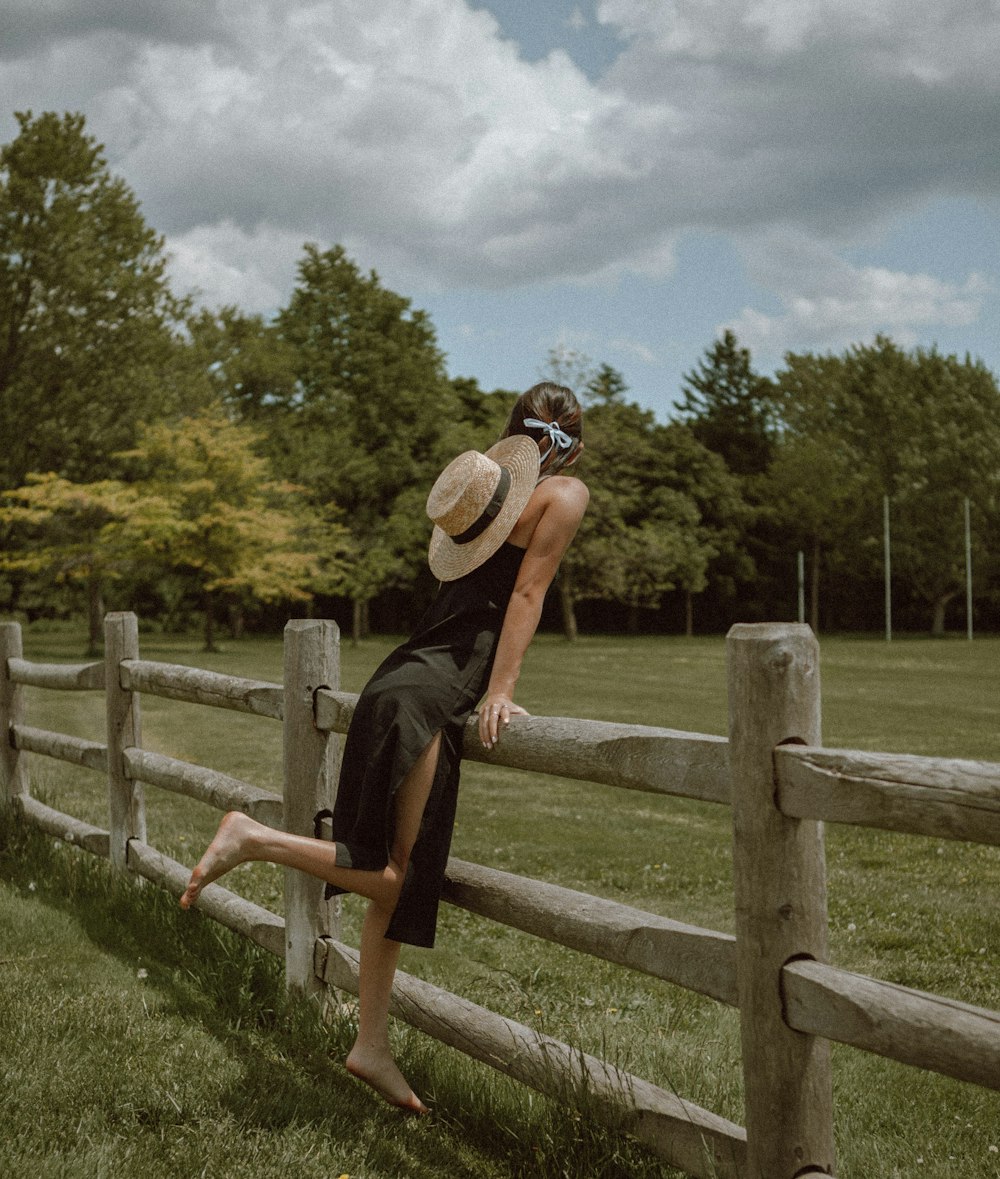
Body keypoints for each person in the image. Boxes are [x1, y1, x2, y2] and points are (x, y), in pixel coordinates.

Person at [179, 382, 588, 1114]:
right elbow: (527, 595)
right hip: (435, 690)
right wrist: (500, 689)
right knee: (393, 876)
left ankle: (371, 1042)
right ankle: (253, 838)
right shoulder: (565, 495)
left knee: (387, 879)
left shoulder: (488, 501)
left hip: (399, 677)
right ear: (571, 447)